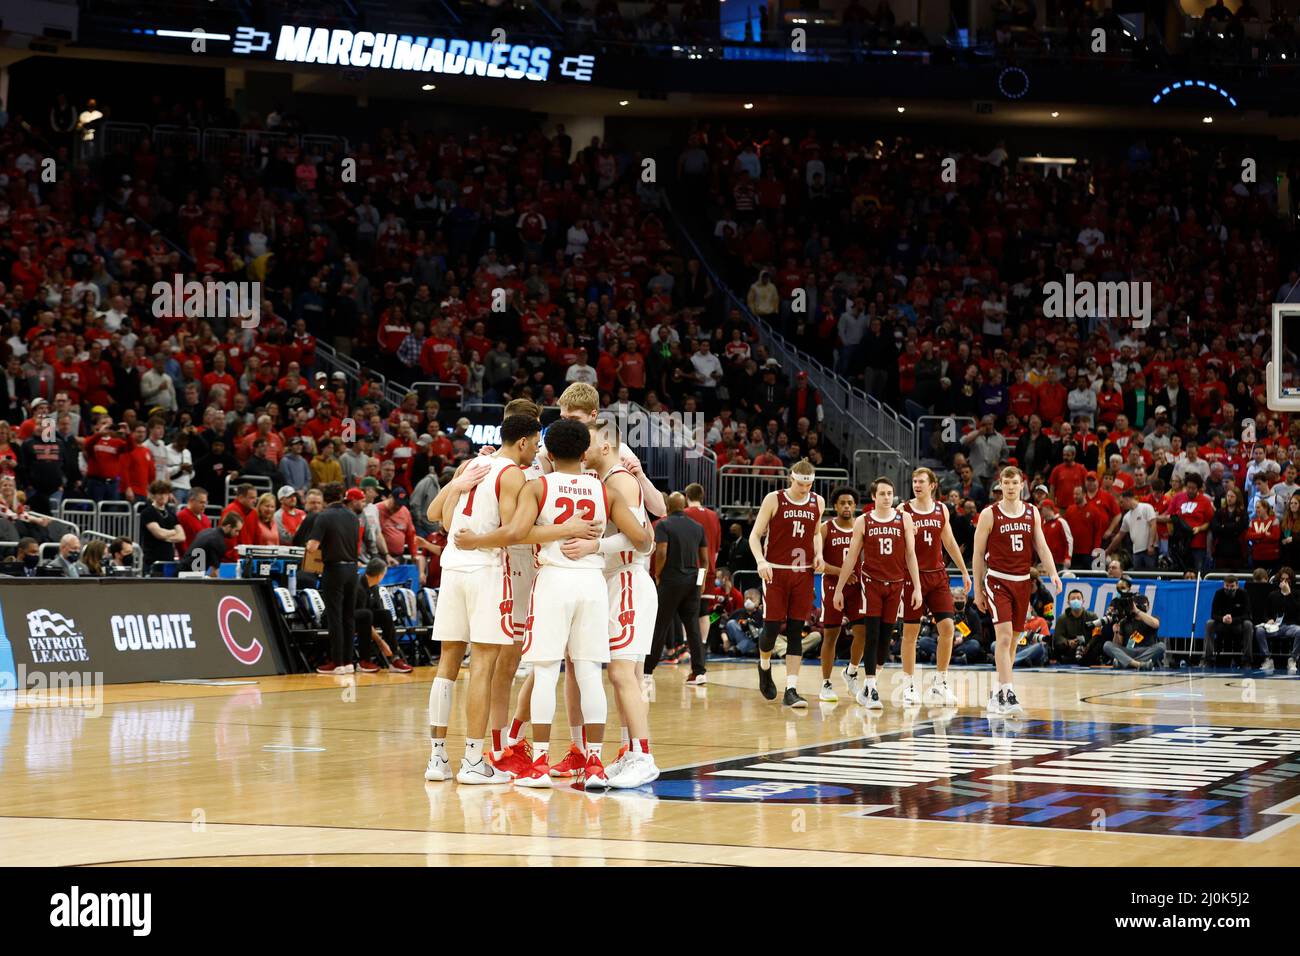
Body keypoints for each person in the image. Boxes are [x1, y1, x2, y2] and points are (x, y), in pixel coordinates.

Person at [456, 417, 650, 789]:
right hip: (592, 582)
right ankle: (594, 761)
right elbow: (642, 538)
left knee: (544, 671)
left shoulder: (537, 485)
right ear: (583, 452)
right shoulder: (604, 491)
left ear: (548, 450)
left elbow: (515, 533)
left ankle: (540, 763)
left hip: (554, 580)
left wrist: (476, 541)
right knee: (590, 671)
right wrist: (597, 543)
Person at [422, 414, 551, 786]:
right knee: (482, 665)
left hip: (452, 568)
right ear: (524, 443)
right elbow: (513, 532)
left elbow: (440, 518)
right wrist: (565, 530)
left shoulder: (471, 464)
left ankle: (437, 757)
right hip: (487, 571)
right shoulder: (512, 474)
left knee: (447, 662)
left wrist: (455, 485)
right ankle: (474, 760)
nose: (537, 452)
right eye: (536, 445)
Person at [562, 419, 660, 788]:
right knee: (621, 676)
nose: (580, 450)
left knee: (622, 674)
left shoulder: (620, 480)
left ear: (605, 446)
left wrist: (594, 546)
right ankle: (632, 752)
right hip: (615, 582)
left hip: (629, 580)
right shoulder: (603, 482)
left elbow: (642, 539)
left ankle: (643, 755)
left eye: (585, 443)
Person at [972, 466, 1063, 715]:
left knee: (1013, 640)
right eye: (1006, 483)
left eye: (1015, 483)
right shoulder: (989, 514)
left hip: (1023, 581)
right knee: (1002, 637)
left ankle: (999, 692)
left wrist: (1053, 573)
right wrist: (978, 590)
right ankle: (1009, 693)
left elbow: (1042, 547)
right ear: (1000, 485)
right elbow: (978, 554)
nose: (1011, 487)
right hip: (998, 580)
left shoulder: (1032, 512)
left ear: (1022, 485)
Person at [832, 475, 923, 710]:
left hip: (896, 584)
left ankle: (867, 683)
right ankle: (871, 687)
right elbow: (852, 556)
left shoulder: (904, 519)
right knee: (871, 636)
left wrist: (917, 587)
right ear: (873, 497)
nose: (886, 498)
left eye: (889, 494)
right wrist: (839, 589)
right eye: (881, 494)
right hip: (870, 584)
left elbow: (911, 555)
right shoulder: (863, 521)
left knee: (886, 639)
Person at [748, 458, 825, 707]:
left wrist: (819, 555)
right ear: (792, 478)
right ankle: (764, 665)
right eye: (802, 485)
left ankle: (791, 689)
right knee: (771, 629)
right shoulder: (774, 498)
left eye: (810, 485)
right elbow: (755, 535)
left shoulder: (818, 502)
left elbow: (814, 535)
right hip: (776, 572)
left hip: (803, 573)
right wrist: (761, 561)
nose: (806, 489)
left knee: (795, 630)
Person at [898, 467, 971, 706]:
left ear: (932, 485)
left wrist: (963, 570)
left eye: (921, 481)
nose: (916, 485)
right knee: (911, 633)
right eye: (914, 481)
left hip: (938, 576)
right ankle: (908, 684)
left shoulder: (941, 509)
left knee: (948, 628)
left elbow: (948, 541)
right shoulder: (903, 510)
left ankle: (940, 683)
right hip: (912, 577)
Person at [648, 491, 710, 684]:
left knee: (660, 626)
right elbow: (705, 561)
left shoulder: (664, 525)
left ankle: (646, 671)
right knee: (693, 628)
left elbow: (662, 553)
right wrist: (700, 583)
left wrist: (658, 574)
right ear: (683, 507)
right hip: (692, 583)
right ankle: (699, 672)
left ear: (668, 507)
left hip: (671, 581)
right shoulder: (697, 527)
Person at [305, 483, 364, 675]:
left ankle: (337, 662)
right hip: (352, 569)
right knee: (349, 616)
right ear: (341, 496)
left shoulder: (324, 516)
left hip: (334, 569)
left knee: (334, 617)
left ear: (325, 498)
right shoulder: (353, 517)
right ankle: (348, 662)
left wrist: (310, 543)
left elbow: (312, 547)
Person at [815, 487, 866, 702]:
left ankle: (851, 672)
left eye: (850, 503)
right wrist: (842, 573)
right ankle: (826, 683)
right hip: (833, 585)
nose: (846, 506)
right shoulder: (826, 529)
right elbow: (817, 564)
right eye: (842, 503)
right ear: (835, 506)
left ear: (855, 506)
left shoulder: (862, 527)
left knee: (862, 632)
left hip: (858, 587)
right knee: (831, 635)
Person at [353, 557, 414, 674]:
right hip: (346, 619)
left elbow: (377, 613)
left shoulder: (375, 587)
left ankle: (395, 659)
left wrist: (386, 643)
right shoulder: (358, 588)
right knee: (366, 615)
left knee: (385, 614)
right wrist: (381, 642)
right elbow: (363, 619)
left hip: (364, 618)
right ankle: (363, 661)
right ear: (379, 575)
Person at [1101, 584, 1164, 670]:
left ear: (1148, 606)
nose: (1139, 605)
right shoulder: (1124, 621)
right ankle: (1139, 664)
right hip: (1128, 651)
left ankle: (1126, 663)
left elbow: (1156, 624)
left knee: (1161, 646)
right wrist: (1116, 632)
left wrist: (1137, 611)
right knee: (1107, 645)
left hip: (1146, 651)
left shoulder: (1153, 618)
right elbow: (1117, 644)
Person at [917, 588, 986, 665]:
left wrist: (963, 639)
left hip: (962, 645)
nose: (959, 601)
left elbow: (978, 636)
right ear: (951, 599)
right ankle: (955, 658)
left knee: (974, 645)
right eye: (956, 598)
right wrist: (938, 638)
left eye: (961, 598)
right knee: (923, 641)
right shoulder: (944, 612)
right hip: (943, 643)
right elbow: (934, 632)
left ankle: (943, 657)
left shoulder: (972, 614)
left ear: (966, 600)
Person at [1253, 569, 1300, 675]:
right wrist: (1268, 620)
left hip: (1290, 626)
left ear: (1291, 581)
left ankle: (1293, 659)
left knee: (1299, 631)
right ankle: (1267, 659)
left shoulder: (1296, 594)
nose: (1284, 582)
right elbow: (1265, 613)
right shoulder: (1273, 595)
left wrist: (1288, 594)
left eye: (1287, 580)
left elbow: (1296, 611)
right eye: (1282, 579)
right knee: (1259, 630)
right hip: (1275, 626)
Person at [1203, 574, 1254, 669]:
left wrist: (1233, 620)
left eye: (1232, 586)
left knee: (1248, 624)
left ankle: (1247, 660)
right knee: (1209, 623)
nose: (1229, 588)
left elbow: (1247, 615)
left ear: (1237, 586)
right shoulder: (1218, 593)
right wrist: (1222, 619)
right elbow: (1213, 614)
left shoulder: (1243, 594)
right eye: (1227, 586)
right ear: (1223, 585)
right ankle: (1208, 659)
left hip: (1238, 625)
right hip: (1222, 624)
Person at [139, 479, 185, 575]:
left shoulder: (171, 514)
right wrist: (173, 532)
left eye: (166, 493)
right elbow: (159, 534)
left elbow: (182, 537)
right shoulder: (148, 512)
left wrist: (166, 537)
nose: (163, 496)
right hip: (152, 561)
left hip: (169, 560)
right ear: (153, 495)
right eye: (160, 493)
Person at [1052, 588, 1104, 664]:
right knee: (1058, 645)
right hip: (1070, 650)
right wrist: (1068, 642)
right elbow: (1058, 637)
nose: (1076, 600)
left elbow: (1097, 635)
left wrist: (1089, 645)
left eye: (1078, 598)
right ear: (1068, 602)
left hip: (1088, 649)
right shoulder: (1062, 618)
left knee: (1099, 644)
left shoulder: (1092, 617)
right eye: (1073, 599)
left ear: (1083, 601)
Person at [182, 512, 242, 576]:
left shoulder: (206, 531)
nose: (237, 534)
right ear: (228, 527)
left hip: (181, 572)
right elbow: (214, 573)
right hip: (190, 578)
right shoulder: (219, 542)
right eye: (236, 530)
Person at [177, 486, 212, 554]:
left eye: (206, 502)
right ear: (191, 501)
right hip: (190, 560)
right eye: (201, 502)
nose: (204, 505)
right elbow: (181, 543)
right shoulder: (182, 516)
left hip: (204, 559)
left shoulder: (205, 518)